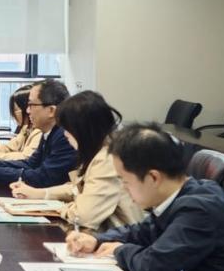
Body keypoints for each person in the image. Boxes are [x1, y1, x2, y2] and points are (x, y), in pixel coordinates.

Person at [66, 122, 224, 271]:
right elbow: (141, 232)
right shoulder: (174, 198)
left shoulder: (199, 209)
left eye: (125, 181)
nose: (123, 188)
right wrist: (97, 240)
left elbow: (154, 267)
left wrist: (120, 250)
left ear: (153, 178)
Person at [12, 90, 143, 231]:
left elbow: (83, 216)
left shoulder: (106, 160)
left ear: (82, 130)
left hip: (115, 239)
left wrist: (61, 208)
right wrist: (39, 194)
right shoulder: (97, 151)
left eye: (67, 129)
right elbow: (76, 188)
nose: (65, 134)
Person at [0, 79, 77, 187]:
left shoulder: (65, 136)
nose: (27, 111)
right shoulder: (49, 132)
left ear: (51, 111)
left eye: (31, 105)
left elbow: (45, 177)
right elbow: (30, 164)